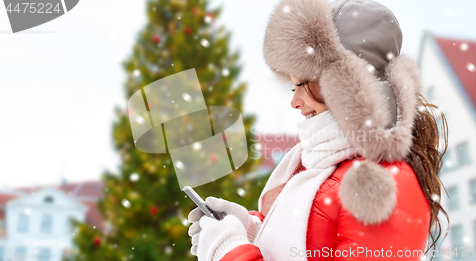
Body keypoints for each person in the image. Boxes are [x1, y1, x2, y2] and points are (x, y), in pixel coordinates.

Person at [188, 0, 449, 260]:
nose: (295, 101)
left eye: (306, 84)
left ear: (347, 84)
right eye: (293, 86)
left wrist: (229, 251)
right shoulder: (316, 166)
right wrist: (248, 230)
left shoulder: (384, 183)